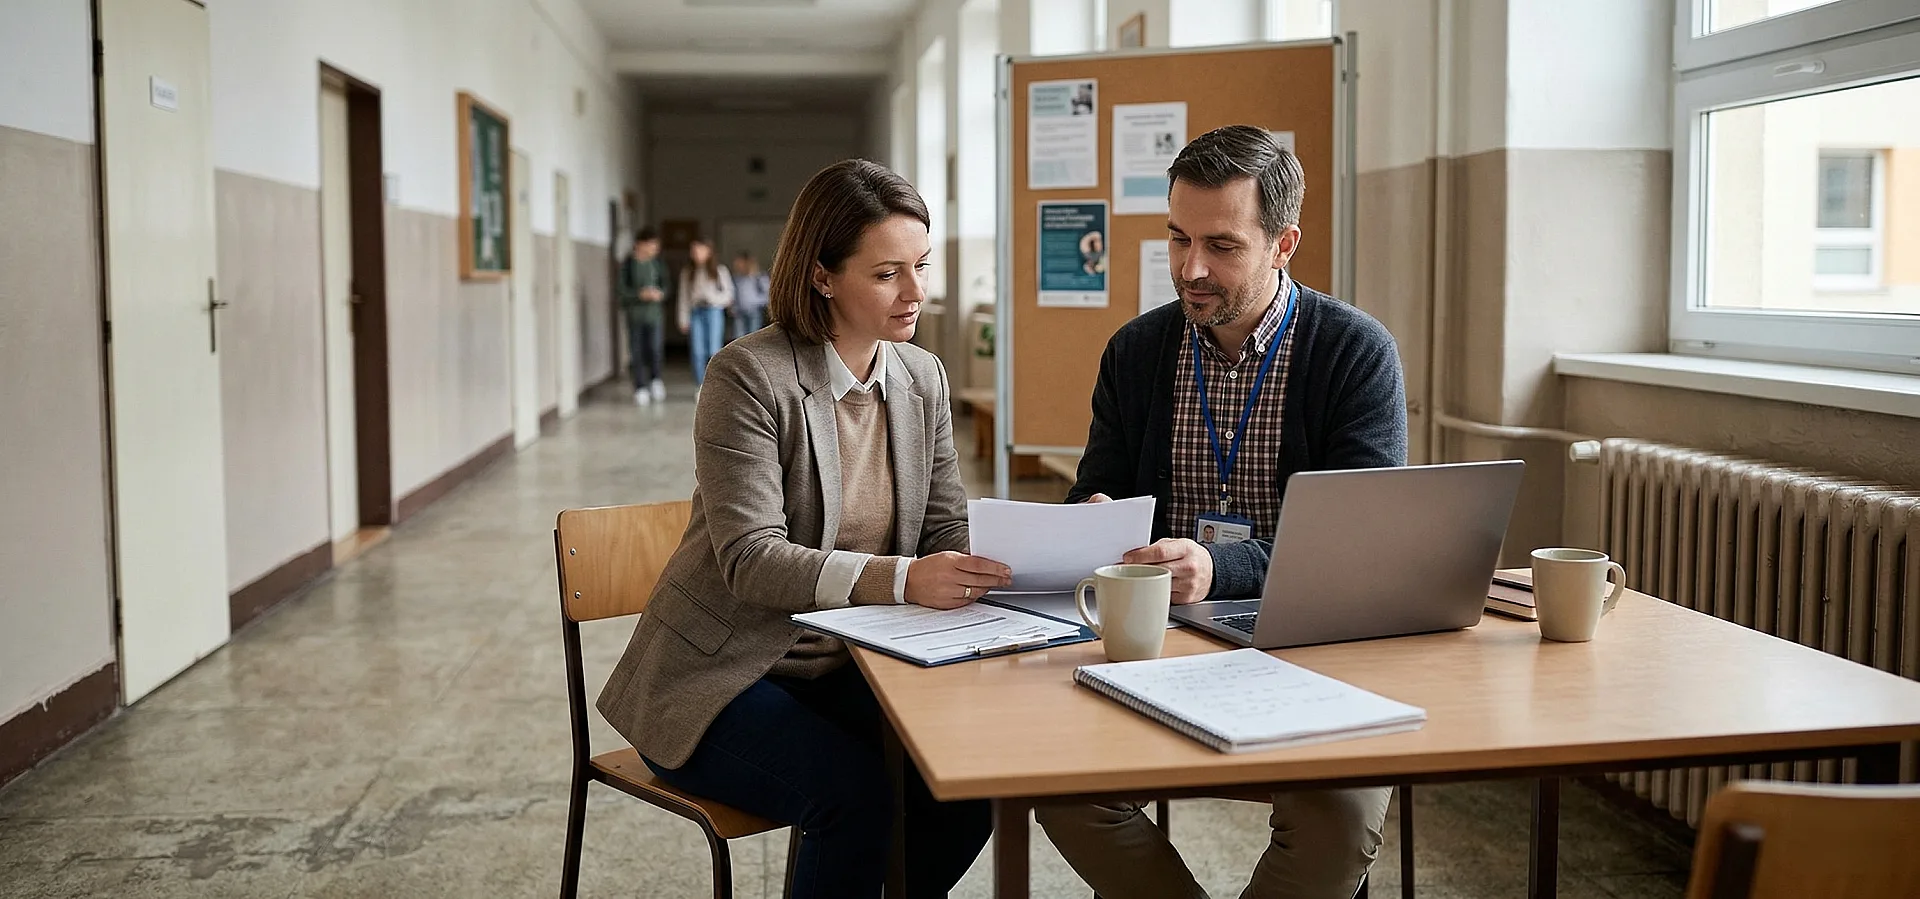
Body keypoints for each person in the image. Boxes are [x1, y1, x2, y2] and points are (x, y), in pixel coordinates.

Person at [597, 159, 1007, 899]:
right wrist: (904, 577)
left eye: (921, 266)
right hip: (720, 673)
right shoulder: (747, 376)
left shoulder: (923, 378)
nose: (917, 292)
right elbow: (751, 560)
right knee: (854, 795)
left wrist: (1024, 553)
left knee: (969, 778)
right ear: (822, 275)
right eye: (887, 274)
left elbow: (945, 524)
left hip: (853, 659)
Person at [1036, 125, 1408, 899]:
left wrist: (1218, 566)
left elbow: (1356, 548)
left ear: (1284, 244)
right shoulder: (1138, 352)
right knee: (1057, 787)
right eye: (1176, 239)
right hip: (1163, 648)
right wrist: (1095, 519)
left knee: (1338, 815)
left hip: (1315, 648)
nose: (1190, 269)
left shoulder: (1354, 352)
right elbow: (1095, 487)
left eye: (1222, 245)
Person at [618, 227, 668, 405]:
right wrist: (639, 295)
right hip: (635, 316)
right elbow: (621, 292)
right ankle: (640, 386)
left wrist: (659, 294)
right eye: (652, 244)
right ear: (640, 244)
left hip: (654, 316)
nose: (655, 248)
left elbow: (666, 287)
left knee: (655, 349)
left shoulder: (657, 264)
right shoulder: (628, 265)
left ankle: (655, 380)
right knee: (637, 352)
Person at [677, 238, 734, 387]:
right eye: (693, 251)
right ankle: (700, 385)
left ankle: (714, 385)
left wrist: (713, 299)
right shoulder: (688, 272)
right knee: (697, 351)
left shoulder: (719, 271)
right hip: (696, 312)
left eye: (699, 250)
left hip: (713, 311)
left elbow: (729, 295)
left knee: (713, 349)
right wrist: (683, 319)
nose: (695, 254)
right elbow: (683, 297)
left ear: (708, 251)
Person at [730, 250, 771, 340]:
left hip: (754, 312)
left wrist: (753, 302)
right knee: (738, 338)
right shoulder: (737, 278)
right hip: (739, 312)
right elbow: (734, 294)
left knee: (752, 338)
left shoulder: (758, 277)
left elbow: (767, 295)